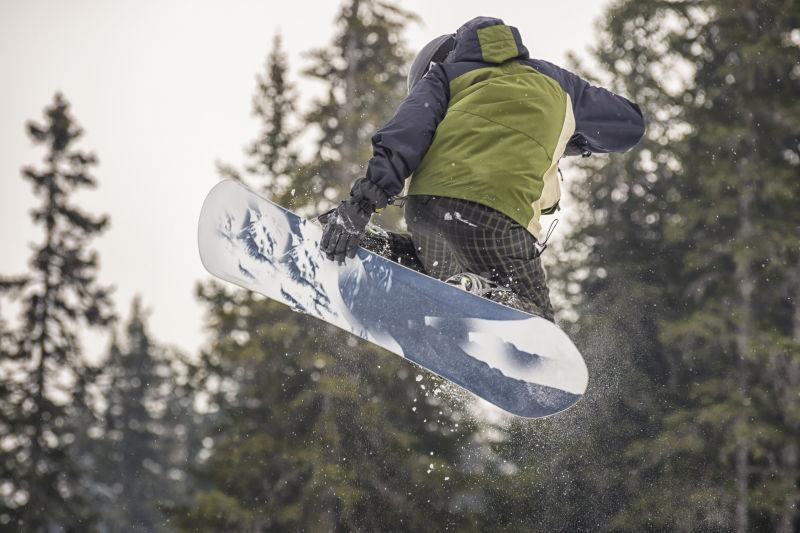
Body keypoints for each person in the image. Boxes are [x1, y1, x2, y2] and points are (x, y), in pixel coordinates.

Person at [319, 16, 645, 321]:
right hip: (502, 219)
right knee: (535, 324)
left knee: (434, 268)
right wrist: (568, 135)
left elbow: (406, 134)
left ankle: (374, 246)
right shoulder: (558, 84)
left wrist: (360, 206)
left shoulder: (445, 76)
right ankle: (486, 297)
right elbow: (629, 125)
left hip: (430, 210)